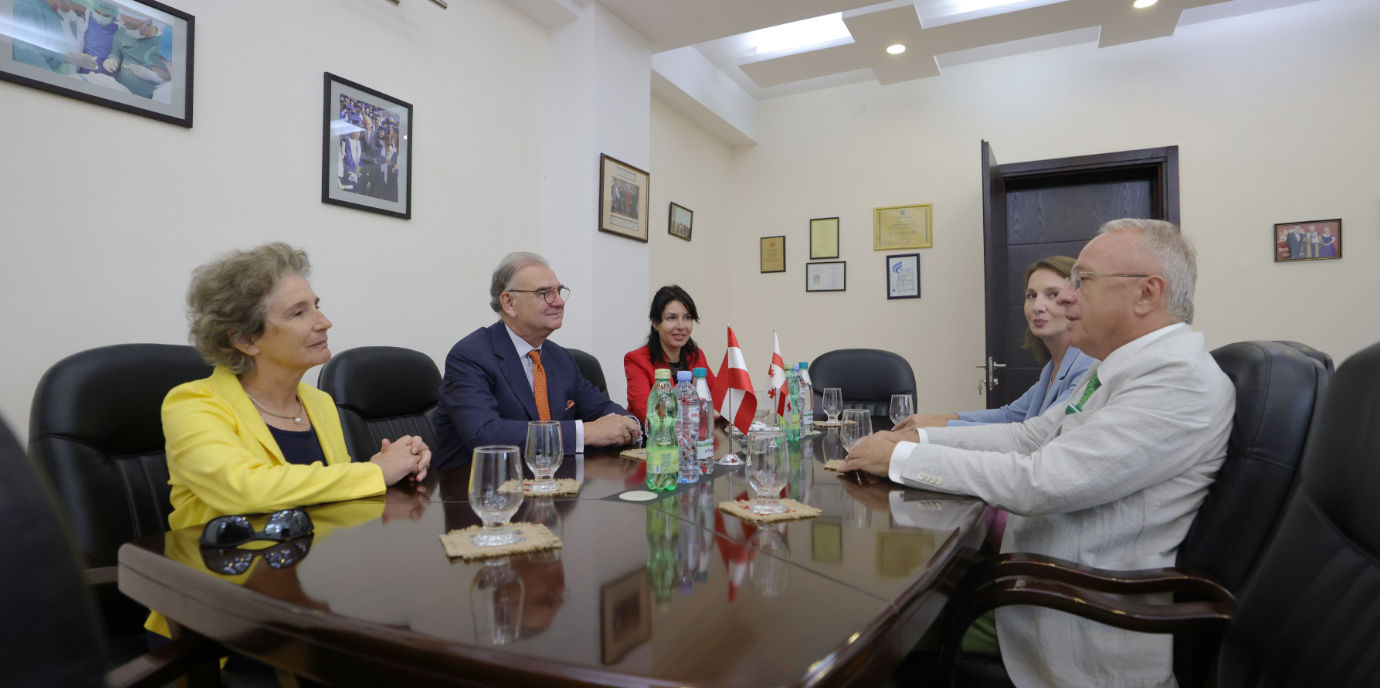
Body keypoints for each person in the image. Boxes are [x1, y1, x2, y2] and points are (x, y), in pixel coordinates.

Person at [843, 219, 1234, 687]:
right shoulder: (1122, 369)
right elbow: (1028, 436)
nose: (1066, 296)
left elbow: (1039, 479)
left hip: (1064, 618)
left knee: (880, 631)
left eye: (1081, 281)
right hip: (1037, 585)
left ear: (1147, 294)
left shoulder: (1175, 380)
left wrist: (900, 461)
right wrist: (915, 441)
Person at [151, 242, 430, 637]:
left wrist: (400, 464)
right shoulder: (192, 404)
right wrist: (371, 473)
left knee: (420, 620)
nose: (325, 321)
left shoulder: (319, 402)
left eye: (317, 305)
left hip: (315, 593)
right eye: (300, 313)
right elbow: (248, 489)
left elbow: (327, 504)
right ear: (245, 339)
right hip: (222, 608)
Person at [434, 252, 641, 469]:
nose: (559, 302)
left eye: (559, 292)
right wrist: (585, 432)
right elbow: (485, 435)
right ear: (509, 302)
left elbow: (601, 407)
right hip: (476, 491)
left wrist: (630, 425)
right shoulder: (471, 355)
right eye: (545, 293)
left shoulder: (560, 357)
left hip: (552, 486)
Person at [894, 256, 1094, 430]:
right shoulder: (1053, 368)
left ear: (1075, 300)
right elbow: (1009, 416)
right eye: (1031, 296)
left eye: (1053, 294)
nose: (1037, 306)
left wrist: (937, 427)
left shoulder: (1086, 365)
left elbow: (1039, 434)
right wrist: (937, 419)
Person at [624, 285, 717, 423]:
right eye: (671, 318)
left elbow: (716, 399)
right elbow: (646, 411)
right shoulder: (637, 360)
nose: (681, 326)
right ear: (656, 323)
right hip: (654, 440)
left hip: (694, 439)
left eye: (687, 317)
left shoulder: (696, 356)